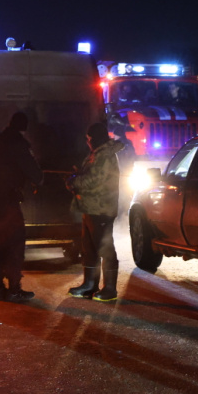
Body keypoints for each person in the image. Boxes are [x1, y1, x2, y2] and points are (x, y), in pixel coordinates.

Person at [0, 112, 44, 302]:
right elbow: (36, 175)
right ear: (24, 127)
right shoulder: (18, 145)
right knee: (14, 245)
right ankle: (14, 289)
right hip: (7, 203)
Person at [67, 123, 125, 302]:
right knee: (89, 248)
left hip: (101, 209)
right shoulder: (99, 154)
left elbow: (93, 181)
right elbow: (92, 176)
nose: (87, 142)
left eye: (89, 138)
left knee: (105, 248)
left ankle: (109, 289)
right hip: (92, 207)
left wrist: (74, 181)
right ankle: (90, 285)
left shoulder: (104, 156)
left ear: (96, 138)